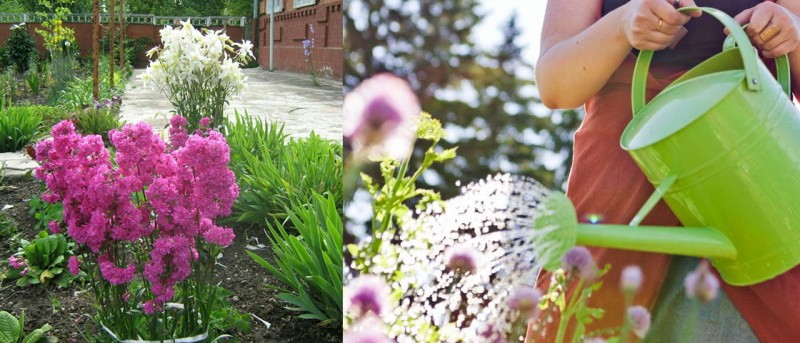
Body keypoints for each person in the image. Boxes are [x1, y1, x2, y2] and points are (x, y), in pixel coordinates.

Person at [531, 0, 800, 341]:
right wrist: (623, 23)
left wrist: (792, 28)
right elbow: (556, 86)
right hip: (622, 181)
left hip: (754, 184)